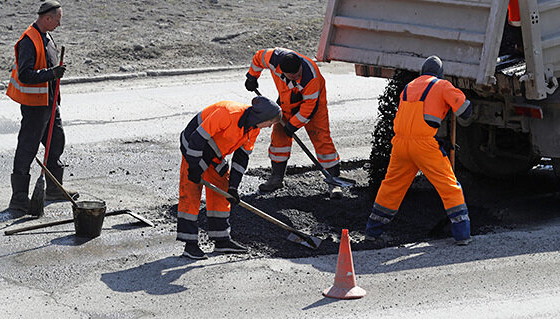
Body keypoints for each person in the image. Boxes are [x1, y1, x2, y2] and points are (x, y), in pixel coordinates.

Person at [365, 56, 473, 245]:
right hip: (423, 146)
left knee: (391, 187)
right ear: (440, 74)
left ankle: (373, 232)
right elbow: (465, 111)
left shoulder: (410, 86)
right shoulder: (442, 85)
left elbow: (414, 119)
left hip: (400, 144)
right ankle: (462, 235)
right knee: (449, 187)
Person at [178, 96, 281, 259]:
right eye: (270, 122)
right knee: (191, 192)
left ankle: (221, 241)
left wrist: (233, 187)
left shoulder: (253, 129)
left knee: (222, 190)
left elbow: (241, 158)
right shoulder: (228, 113)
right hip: (193, 147)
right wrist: (194, 167)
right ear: (262, 117)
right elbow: (197, 139)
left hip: (215, 153)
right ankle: (190, 245)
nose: (269, 127)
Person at [6, 0, 77, 213]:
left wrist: (54, 79)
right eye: (58, 19)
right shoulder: (28, 40)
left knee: (56, 142)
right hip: (35, 105)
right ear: (47, 18)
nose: (60, 24)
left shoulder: (47, 36)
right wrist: (51, 74)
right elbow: (25, 74)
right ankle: (19, 199)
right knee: (27, 148)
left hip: (49, 102)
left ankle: (54, 189)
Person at [244, 47, 343, 199]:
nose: (297, 76)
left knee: (321, 137)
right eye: (293, 76)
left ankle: (334, 182)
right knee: (279, 137)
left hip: (313, 104)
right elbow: (258, 58)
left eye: (298, 73)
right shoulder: (273, 58)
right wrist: (252, 76)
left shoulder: (311, 77)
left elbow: (309, 108)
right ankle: (276, 178)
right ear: (282, 71)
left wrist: (293, 125)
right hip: (287, 102)